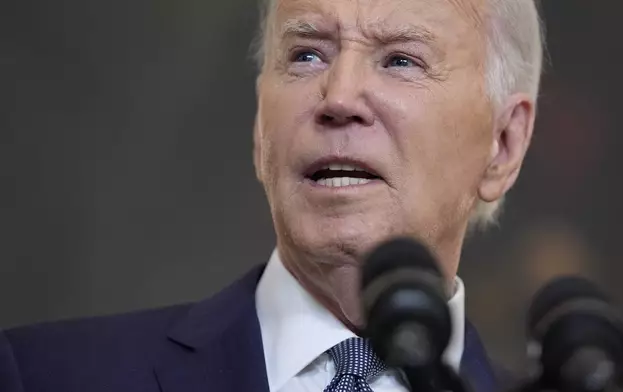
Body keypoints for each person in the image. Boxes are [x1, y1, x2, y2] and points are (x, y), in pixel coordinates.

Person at [0, 0, 544, 391]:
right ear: (261, 126)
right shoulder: (43, 374)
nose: (339, 96)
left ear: (503, 144)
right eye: (307, 55)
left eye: (401, 60)